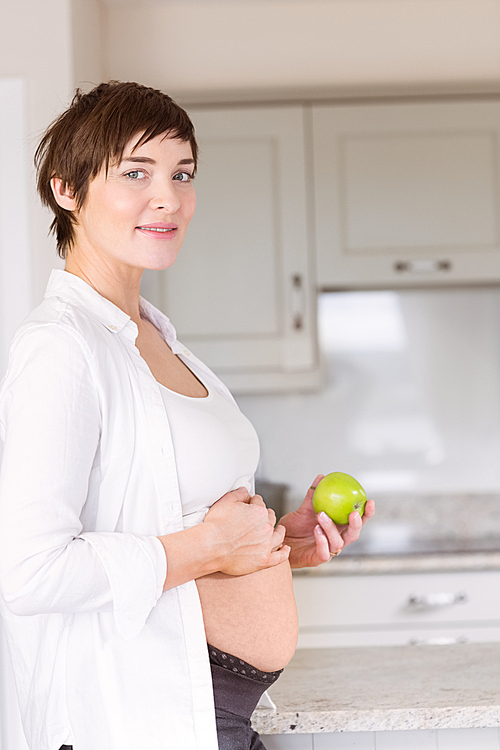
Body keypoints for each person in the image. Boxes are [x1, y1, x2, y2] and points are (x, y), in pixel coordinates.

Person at [0, 81, 375, 750]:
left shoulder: (165, 343)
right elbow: (29, 572)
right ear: (67, 190)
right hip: (139, 717)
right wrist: (211, 547)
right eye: (136, 172)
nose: (167, 196)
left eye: (182, 173)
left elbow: (172, 520)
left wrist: (277, 544)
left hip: (214, 714)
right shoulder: (61, 346)